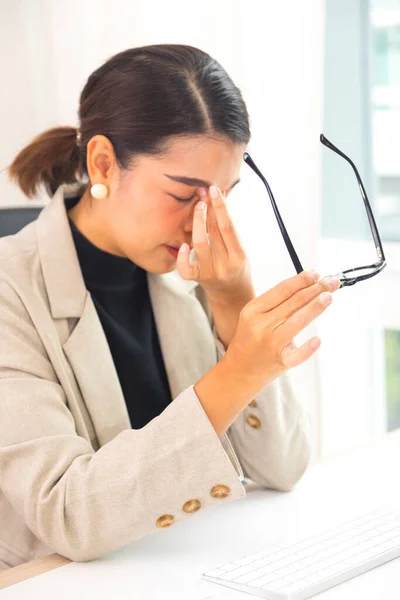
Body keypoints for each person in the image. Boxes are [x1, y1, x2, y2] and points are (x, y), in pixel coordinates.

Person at [0, 44, 339, 571]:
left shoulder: (198, 276)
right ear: (103, 162)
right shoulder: (10, 291)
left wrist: (233, 303)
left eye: (222, 197)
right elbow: (70, 518)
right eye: (185, 195)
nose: (201, 224)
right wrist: (238, 371)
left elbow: (284, 467)